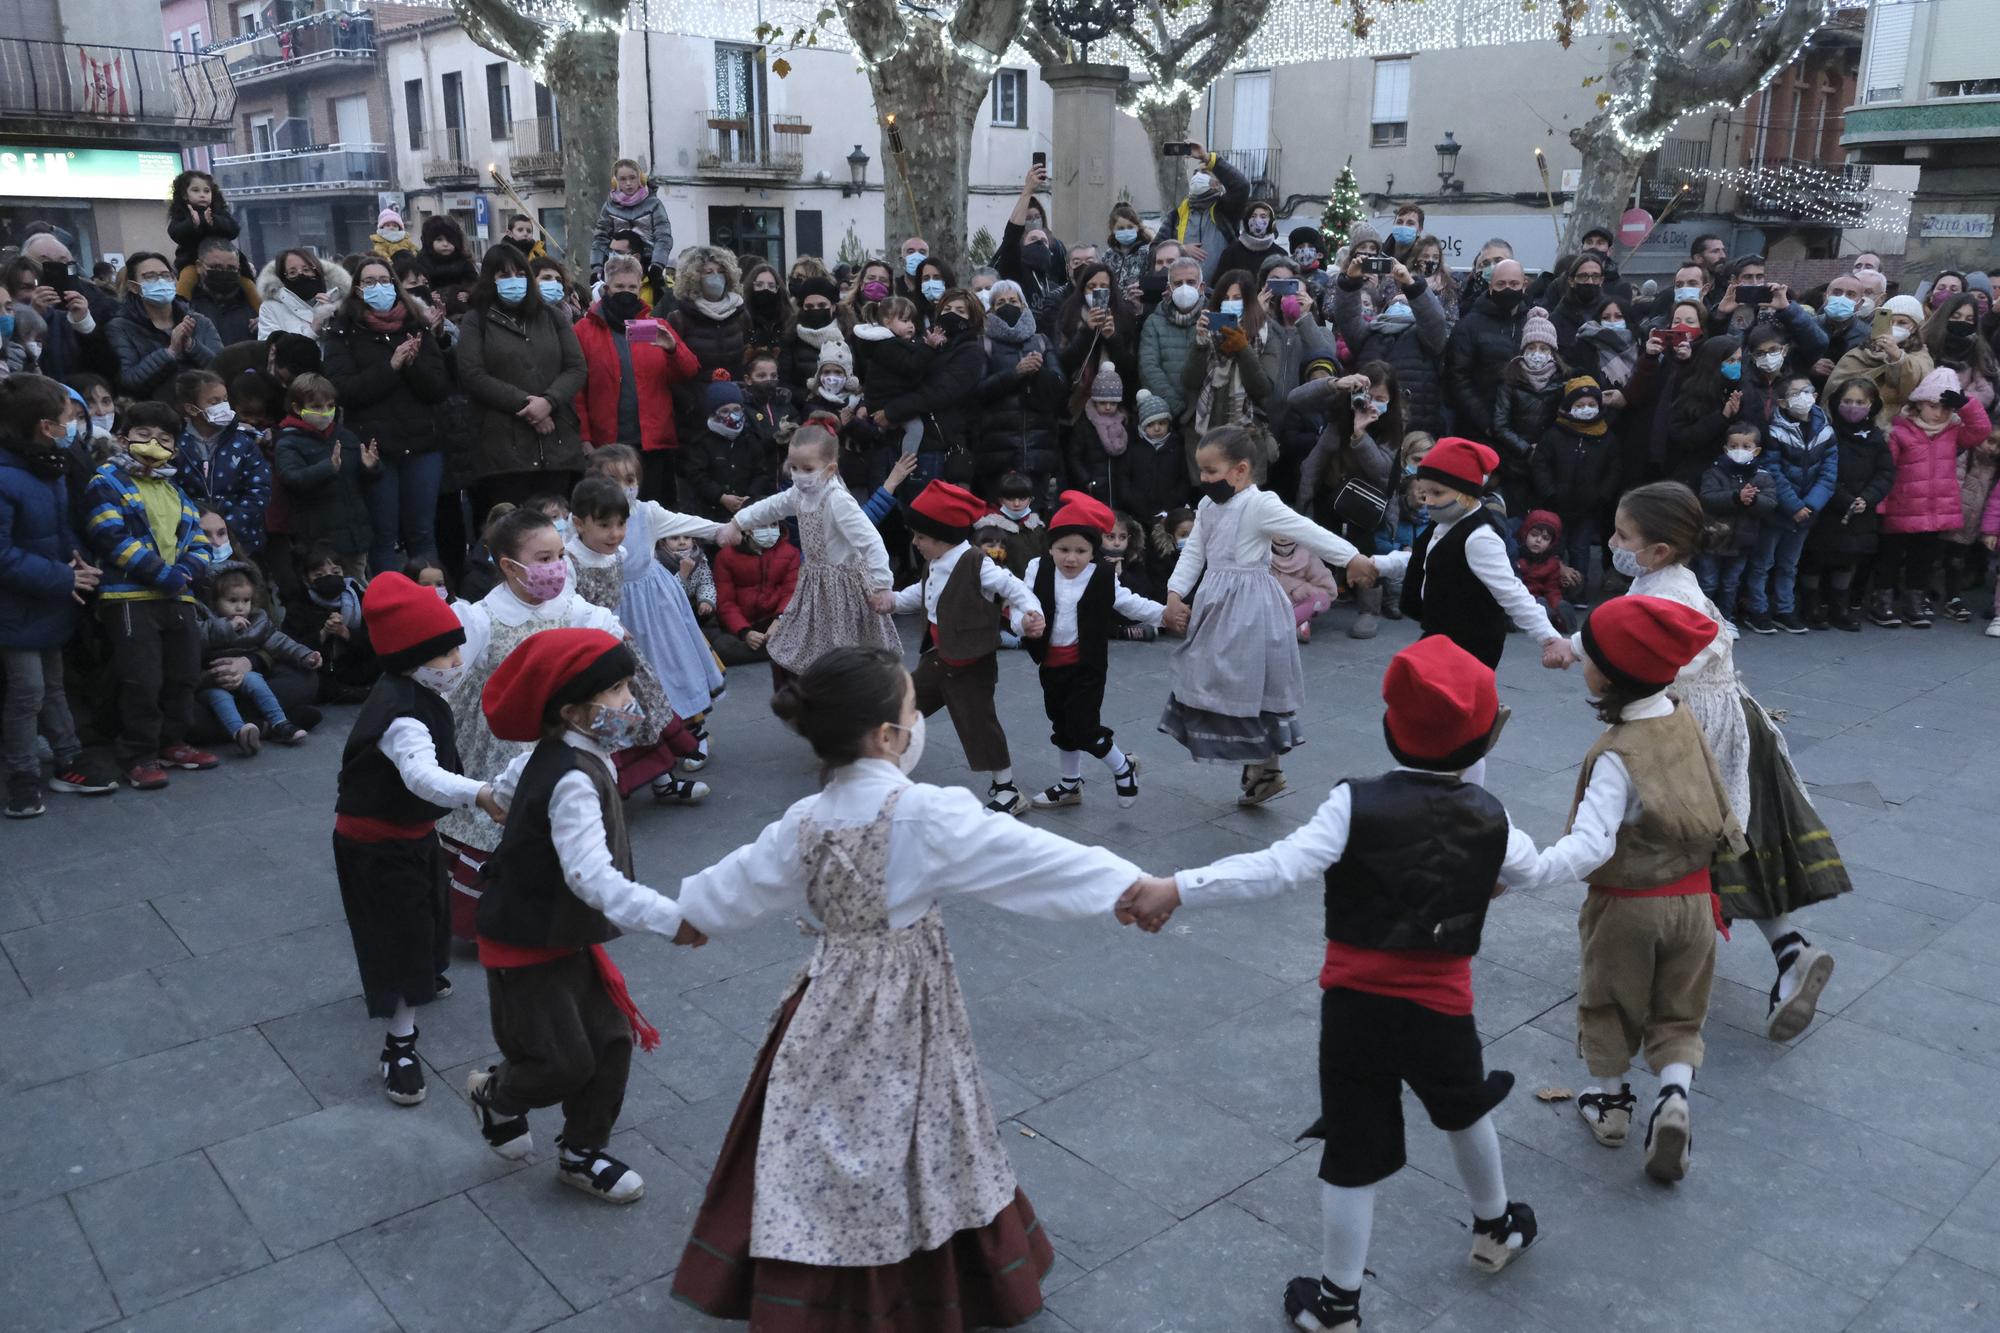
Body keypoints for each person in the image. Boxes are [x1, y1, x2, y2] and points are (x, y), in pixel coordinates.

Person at [667, 644, 1144, 1325]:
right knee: (925, 1121)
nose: (917, 720)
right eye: (914, 710)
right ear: (889, 736)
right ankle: (915, 1283)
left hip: (828, 998)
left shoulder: (803, 822)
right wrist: (1128, 886)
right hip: (908, 1002)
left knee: (817, 1127)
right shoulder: (922, 812)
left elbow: (725, 892)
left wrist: (683, 916)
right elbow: (1031, 859)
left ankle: (808, 1274)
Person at [1115, 636, 1543, 1333]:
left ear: (1389, 727)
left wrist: (1178, 885)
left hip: (1355, 1008)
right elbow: (1544, 868)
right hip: (1443, 1007)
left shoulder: (1352, 805)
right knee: (1465, 1108)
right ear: (1481, 741)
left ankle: (1338, 1303)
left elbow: (1279, 867)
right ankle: (1496, 1225)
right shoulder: (1494, 821)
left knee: (1353, 1146)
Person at [1600, 483, 1850, 1037]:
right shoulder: (1662, 581)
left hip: (1700, 735)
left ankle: (1660, 969)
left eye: (1623, 534)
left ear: (1659, 548)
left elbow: (1654, 664)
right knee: (1734, 850)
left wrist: (1581, 652)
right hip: (1729, 724)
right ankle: (1790, 952)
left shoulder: (1667, 596)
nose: (1612, 542)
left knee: (1680, 848)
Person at [467, 628, 701, 1203]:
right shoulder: (572, 777)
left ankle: (580, 1152)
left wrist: (511, 808)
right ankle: (495, 1094)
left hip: (563, 932)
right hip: (525, 940)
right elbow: (590, 878)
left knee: (611, 1043)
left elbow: (508, 785)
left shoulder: (571, 755)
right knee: (559, 1061)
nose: (630, 700)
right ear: (572, 710)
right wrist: (671, 917)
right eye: (617, 689)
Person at [1532, 596, 1745, 1181]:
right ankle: (1673, 1097)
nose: (1581, 660)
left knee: (1608, 1004)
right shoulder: (1680, 716)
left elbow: (1591, 845)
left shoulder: (1616, 755)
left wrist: (1524, 871)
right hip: (1696, 903)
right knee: (1680, 1012)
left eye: (1588, 654)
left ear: (1610, 675)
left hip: (1627, 908)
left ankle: (1612, 1105)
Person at [332, 572, 498, 1103]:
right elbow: (422, 776)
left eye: (455, 651)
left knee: (430, 912)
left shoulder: (418, 682)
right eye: (447, 654)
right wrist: (481, 793)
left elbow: (473, 622)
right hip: (376, 844)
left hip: (414, 832)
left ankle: (426, 970)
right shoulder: (401, 716)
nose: (457, 662)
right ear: (415, 658)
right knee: (398, 934)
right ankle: (399, 1045)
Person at [1159, 425, 1374, 805]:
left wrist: (1352, 557)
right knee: (1219, 680)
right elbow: (1195, 553)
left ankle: (1266, 768)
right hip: (1216, 606)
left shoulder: (1260, 504)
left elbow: (1309, 532)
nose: (1204, 479)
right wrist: (1175, 593)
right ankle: (1265, 769)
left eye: (1211, 471)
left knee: (1254, 686)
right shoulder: (1208, 507)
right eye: (1201, 470)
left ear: (1240, 471)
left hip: (1251, 609)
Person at [83, 401, 219, 789]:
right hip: (128, 597)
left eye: (164, 438)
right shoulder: (106, 481)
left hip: (178, 597)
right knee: (142, 679)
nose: (154, 443)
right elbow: (109, 536)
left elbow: (198, 539)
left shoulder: (175, 490)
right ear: (123, 439)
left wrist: (186, 572)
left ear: (175, 449)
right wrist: (162, 574)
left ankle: (172, 741)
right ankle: (137, 754)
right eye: (143, 435)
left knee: (184, 672)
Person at [892, 479, 1044, 814]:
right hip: (939, 656)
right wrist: (891, 601)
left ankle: (1007, 789)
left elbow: (1015, 589)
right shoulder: (935, 561)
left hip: (971, 661)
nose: (915, 543)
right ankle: (885, 772)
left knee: (978, 724)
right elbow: (922, 592)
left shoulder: (978, 563)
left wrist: (1030, 615)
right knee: (903, 703)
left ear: (943, 536)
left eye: (921, 537)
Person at [0, 375, 113, 816]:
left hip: (46, 598)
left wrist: (79, 562)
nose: (74, 426)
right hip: (15, 605)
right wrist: (63, 578)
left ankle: (68, 759)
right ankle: (22, 775)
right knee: (27, 691)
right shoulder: (9, 477)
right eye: (68, 418)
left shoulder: (47, 467)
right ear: (46, 425)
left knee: (53, 684)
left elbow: (62, 528)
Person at [561, 473, 712, 801]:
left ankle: (662, 781)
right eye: (604, 525)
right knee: (604, 723)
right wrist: (605, 623)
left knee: (643, 712)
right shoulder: (568, 560)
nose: (615, 534)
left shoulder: (618, 554)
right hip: (587, 655)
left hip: (618, 649)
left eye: (621, 524)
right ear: (578, 523)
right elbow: (567, 606)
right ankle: (604, 793)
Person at [1008, 491, 1160, 809]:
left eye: (1081, 550)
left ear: (1093, 551)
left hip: (1086, 665)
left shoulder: (1102, 575)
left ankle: (1123, 768)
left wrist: (1164, 614)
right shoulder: (1038, 568)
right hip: (1050, 662)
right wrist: (1025, 624)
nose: (1071, 558)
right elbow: (1021, 604)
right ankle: (1069, 785)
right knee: (1061, 724)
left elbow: (1129, 602)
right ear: (1050, 547)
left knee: (1084, 727)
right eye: (1063, 549)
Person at [1367, 437, 1567, 675]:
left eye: (1437, 493)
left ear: (1466, 493)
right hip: (1441, 633)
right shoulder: (1446, 521)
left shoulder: (1480, 537)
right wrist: (1380, 564)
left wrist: (1549, 638)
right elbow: (1429, 559)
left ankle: (1485, 711)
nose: (1428, 501)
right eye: (1424, 493)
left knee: (1432, 698)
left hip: (1470, 642)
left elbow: (1511, 591)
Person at [716, 423, 898, 678]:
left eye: (808, 469)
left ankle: (850, 691)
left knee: (844, 650)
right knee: (794, 647)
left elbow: (870, 541)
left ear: (830, 468)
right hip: (813, 582)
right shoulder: (800, 493)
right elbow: (771, 506)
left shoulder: (837, 499)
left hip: (842, 586)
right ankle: (813, 695)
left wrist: (882, 585)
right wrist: (738, 522)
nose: (799, 475)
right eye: (794, 467)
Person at [320, 256, 451, 575]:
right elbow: (343, 391)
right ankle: (390, 606)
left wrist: (413, 364)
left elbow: (438, 387)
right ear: (358, 289)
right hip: (374, 450)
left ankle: (433, 604)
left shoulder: (416, 324)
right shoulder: (343, 331)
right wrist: (390, 367)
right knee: (384, 536)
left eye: (385, 281)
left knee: (423, 533)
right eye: (369, 282)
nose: (379, 287)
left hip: (421, 445)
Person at [456, 244, 588, 519]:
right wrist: (529, 407)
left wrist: (549, 402)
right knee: (513, 531)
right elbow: (473, 375)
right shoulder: (475, 321)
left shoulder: (552, 316)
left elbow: (576, 367)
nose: (514, 280)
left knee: (557, 531)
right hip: (504, 451)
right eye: (504, 275)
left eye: (519, 273)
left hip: (557, 445)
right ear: (490, 279)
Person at [572, 253, 701, 506]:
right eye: (620, 286)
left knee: (653, 511)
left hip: (653, 443)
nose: (626, 292)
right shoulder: (584, 331)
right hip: (607, 445)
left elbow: (689, 371)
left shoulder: (655, 325)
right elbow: (578, 392)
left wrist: (674, 348)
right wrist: (584, 438)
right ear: (607, 288)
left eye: (632, 287)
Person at [1877, 366, 1994, 627]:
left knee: (1924, 559)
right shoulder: (1900, 430)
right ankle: (1882, 599)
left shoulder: (1953, 432)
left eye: (1945, 407)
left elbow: (1981, 430)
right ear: (1918, 404)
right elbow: (1888, 470)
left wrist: (1966, 404)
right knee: (1891, 558)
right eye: (1932, 405)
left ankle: (1915, 601)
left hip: (1936, 511)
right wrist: (1882, 505)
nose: (1939, 412)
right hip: (1902, 506)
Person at [1290, 366, 1402, 638]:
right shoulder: (1342, 406)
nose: (1372, 403)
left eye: (1381, 398)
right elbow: (1294, 399)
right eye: (1368, 395)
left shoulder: (1393, 425)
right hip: (1328, 488)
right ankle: (1308, 607)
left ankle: (1368, 610)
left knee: (1363, 548)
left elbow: (1383, 472)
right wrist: (1335, 384)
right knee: (1319, 548)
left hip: (1365, 499)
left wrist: (1361, 435)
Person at [1746, 372, 1838, 634]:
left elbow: (1829, 473)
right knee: (1763, 563)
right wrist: (1793, 506)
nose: (1804, 398)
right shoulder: (1774, 431)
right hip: (1778, 510)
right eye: (1795, 394)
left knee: (1789, 564)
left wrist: (1810, 505)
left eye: (1807, 391)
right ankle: (1758, 608)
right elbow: (1772, 472)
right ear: (1783, 403)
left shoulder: (1825, 430)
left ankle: (1785, 609)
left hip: (1807, 512)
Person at [1925, 294, 1999, 622]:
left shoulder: (1978, 352)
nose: (1964, 323)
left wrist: (1958, 399)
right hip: (1929, 434)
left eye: (1971, 319)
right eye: (1958, 315)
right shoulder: (1928, 344)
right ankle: (1920, 587)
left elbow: (1987, 392)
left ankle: (1952, 591)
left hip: (1966, 441)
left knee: (1963, 520)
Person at [1802, 378, 1896, 631]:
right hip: (1829, 507)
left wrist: (1869, 497)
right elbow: (1820, 470)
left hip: (1861, 507)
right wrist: (1843, 498)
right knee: (1816, 556)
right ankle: (1811, 604)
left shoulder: (1876, 438)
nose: (1853, 407)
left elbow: (1886, 473)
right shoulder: (1827, 433)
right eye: (1848, 401)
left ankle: (1838, 607)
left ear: (1872, 405)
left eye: (1860, 402)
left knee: (1848, 558)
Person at [196, 564, 318, 751]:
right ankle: (241, 732)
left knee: (257, 681)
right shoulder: (206, 621)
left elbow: (281, 642)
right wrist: (227, 626)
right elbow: (197, 638)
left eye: (246, 600)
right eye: (232, 600)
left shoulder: (258, 620)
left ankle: (280, 723)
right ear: (214, 601)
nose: (240, 607)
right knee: (217, 699)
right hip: (210, 680)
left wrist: (305, 655)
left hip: (250, 673)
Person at [274, 372, 379, 577]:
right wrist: (327, 468)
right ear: (297, 408)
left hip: (354, 535)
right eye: (317, 407)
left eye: (330, 406)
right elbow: (292, 478)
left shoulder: (344, 435)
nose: (326, 412)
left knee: (358, 587)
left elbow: (366, 480)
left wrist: (369, 467)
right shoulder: (288, 442)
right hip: (319, 540)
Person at [1332, 256, 1449, 438]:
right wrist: (1351, 281)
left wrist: (1410, 285)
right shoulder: (1370, 334)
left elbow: (1434, 320)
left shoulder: (1427, 337)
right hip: (1369, 421)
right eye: (1396, 302)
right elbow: (1347, 318)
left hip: (1415, 427)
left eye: (1406, 302)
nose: (1400, 306)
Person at [971, 279, 1067, 499]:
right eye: (1001, 302)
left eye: (1013, 300)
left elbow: (1059, 387)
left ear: (1023, 305)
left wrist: (1039, 371)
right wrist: (1016, 373)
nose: (1008, 305)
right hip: (997, 452)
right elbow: (977, 392)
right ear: (991, 310)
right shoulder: (983, 344)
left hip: (1038, 448)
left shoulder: (1041, 341)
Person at [1529, 375, 1622, 599]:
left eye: (1591, 405)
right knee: (1555, 549)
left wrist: (1602, 496)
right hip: (1556, 505)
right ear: (1568, 407)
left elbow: (1614, 470)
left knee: (1581, 549)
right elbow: (1540, 465)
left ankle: (1578, 592)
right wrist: (1548, 492)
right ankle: (1552, 589)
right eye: (1579, 405)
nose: (1586, 409)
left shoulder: (1607, 438)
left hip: (1588, 508)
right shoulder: (1554, 435)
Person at [1181, 270, 1275, 480]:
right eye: (1225, 298)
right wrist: (1200, 343)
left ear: (1249, 301)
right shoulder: (1205, 330)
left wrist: (1243, 349)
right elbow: (1189, 381)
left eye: (1237, 298)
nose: (1229, 302)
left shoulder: (1265, 332)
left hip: (1245, 432)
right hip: (1207, 429)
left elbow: (1263, 388)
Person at [171, 368, 271, 560]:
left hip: (244, 542)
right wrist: (196, 523)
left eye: (225, 399)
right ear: (192, 409)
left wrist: (228, 525)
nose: (223, 406)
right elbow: (171, 490)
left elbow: (260, 490)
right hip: (192, 541)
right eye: (214, 402)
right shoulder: (176, 446)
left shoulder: (243, 443)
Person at [106, 252, 222, 404]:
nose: (160, 281)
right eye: (150, 276)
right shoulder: (120, 327)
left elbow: (221, 368)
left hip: (203, 409)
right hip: (155, 414)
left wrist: (191, 346)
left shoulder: (199, 322)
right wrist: (170, 352)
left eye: (166, 275)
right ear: (134, 287)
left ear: (174, 280)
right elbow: (129, 382)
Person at [1697, 420, 1780, 625]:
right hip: (1713, 539)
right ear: (1726, 448)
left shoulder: (1763, 477)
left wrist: (1753, 500)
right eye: (1734, 447)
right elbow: (1707, 497)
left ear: (1757, 450)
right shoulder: (1714, 472)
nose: (1739, 450)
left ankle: (1725, 619)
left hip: (1742, 541)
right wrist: (1736, 497)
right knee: (1707, 582)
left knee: (1730, 583)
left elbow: (1770, 503)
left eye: (1746, 447)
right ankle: (1701, 619)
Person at [1443, 259, 1530, 446]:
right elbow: (1457, 378)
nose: (1507, 289)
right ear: (1490, 287)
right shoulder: (1469, 325)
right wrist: (1487, 423)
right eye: (1501, 284)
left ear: (1524, 286)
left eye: (1514, 284)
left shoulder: (1533, 324)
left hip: (1523, 431)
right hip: (1478, 431)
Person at [1491, 307, 1567, 516]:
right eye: (1532, 347)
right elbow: (1500, 423)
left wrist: (1545, 448)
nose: (1537, 354)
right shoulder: (1509, 380)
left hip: (1550, 464)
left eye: (1544, 348)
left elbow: (1564, 421)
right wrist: (1526, 449)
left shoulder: (1563, 381)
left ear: (1553, 351)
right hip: (1516, 462)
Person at [665, 247, 752, 428]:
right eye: (709, 272)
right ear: (695, 278)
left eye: (721, 272)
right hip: (697, 412)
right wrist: (690, 403)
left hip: (735, 405)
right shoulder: (679, 318)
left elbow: (747, 359)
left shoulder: (741, 314)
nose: (716, 277)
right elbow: (670, 370)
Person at [1823, 293, 1932, 426]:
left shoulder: (1920, 356)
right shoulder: (1859, 353)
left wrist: (1897, 358)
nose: (1894, 326)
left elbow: (1918, 390)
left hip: (1896, 428)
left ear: (1914, 327)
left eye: (1902, 322)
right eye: (1889, 322)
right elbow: (1834, 391)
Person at [708, 519, 799, 669]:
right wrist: (745, 632)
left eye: (774, 525)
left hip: (778, 623)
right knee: (722, 648)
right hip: (740, 629)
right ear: (747, 529)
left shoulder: (790, 552)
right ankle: (776, 652)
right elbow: (725, 602)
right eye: (763, 525)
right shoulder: (726, 557)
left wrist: (779, 620)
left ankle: (774, 650)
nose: (770, 530)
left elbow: (791, 592)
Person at [1165, 142, 1250, 282]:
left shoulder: (1226, 210)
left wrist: (1207, 158)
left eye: (1204, 172)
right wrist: (1181, 249)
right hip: (1182, 290)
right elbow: (1155, 249)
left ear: (1217, 183)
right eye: (1196, 173)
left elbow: (1242, 186)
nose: (1198, 176)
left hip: (1219, 292)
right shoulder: (1177, 215)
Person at [588, 158, 673, 276]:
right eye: (623, 179)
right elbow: (600, 239)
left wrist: (657, 265)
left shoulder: (654, 204)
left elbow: (663, 237)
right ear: (615, 182)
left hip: (650, 266)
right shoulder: (609, 207)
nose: (628, 183)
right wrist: (596, 267)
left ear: (641, 179)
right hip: (616, 266)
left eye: (632, 177)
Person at [779, 274, 846, 402]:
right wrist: (808, 397)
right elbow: (784, 383)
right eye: (809, 307)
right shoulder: (791, 339)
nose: (816, 310)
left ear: (833, 306)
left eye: (821, 306)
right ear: (802, 308)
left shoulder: (848, 335)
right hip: (806, 408)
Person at [255, 248, 348, 340]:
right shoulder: (271, 308)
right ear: (282, 278)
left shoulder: (340, 300)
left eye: (306, 270)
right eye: (292, 272)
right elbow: (270, 349)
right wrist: (312, 329)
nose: (301, 275)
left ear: (317, 271)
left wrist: (334, 317)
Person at [165, 169, 240, 276]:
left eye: (206, 191)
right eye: (196, 190)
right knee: (187, 279)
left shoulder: (217, 211)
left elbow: (234, 230)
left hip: (225, 259)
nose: (202, 195)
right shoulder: (182, 212)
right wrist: (193, 224)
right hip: (191, 260)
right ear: (184, 195)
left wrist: (214, 223)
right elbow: (175, 233)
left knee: (246, 280)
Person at [186, 238, 259, 346]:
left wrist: (268, 328)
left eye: (231, 268)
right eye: (216, 267)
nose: (224, 273)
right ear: (199, 266)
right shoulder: (187, 306)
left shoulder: (253, 305)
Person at [417, 216, 480, 323]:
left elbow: (474, 282)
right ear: (429, 241)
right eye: (439, 239)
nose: (445, 244)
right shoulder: (421, 261)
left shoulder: (463, 260)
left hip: (463, 314)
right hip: (433, 316)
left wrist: (469, 294)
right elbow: (413, 288)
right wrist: (426, 295)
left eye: (450, 239)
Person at [1515, 510, 1570, 631]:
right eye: (1534, 535)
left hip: (1538, 601)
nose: (1538, 540)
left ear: (1551, 543)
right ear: (1525, 534)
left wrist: (1557, 606)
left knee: (1545, 604)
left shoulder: (1551, 564)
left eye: (1545, 538)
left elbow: (1552, 590)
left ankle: (1559, 617)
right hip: (1518, 600)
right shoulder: (1515, 556)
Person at [1214, 200, 1285, 283]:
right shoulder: (1231, 252)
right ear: (1246, 221)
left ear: (1271, 223)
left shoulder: (1281, 254)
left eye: (1263, 216)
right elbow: (1218, 284)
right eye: (1253, 216)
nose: (1257, 220)